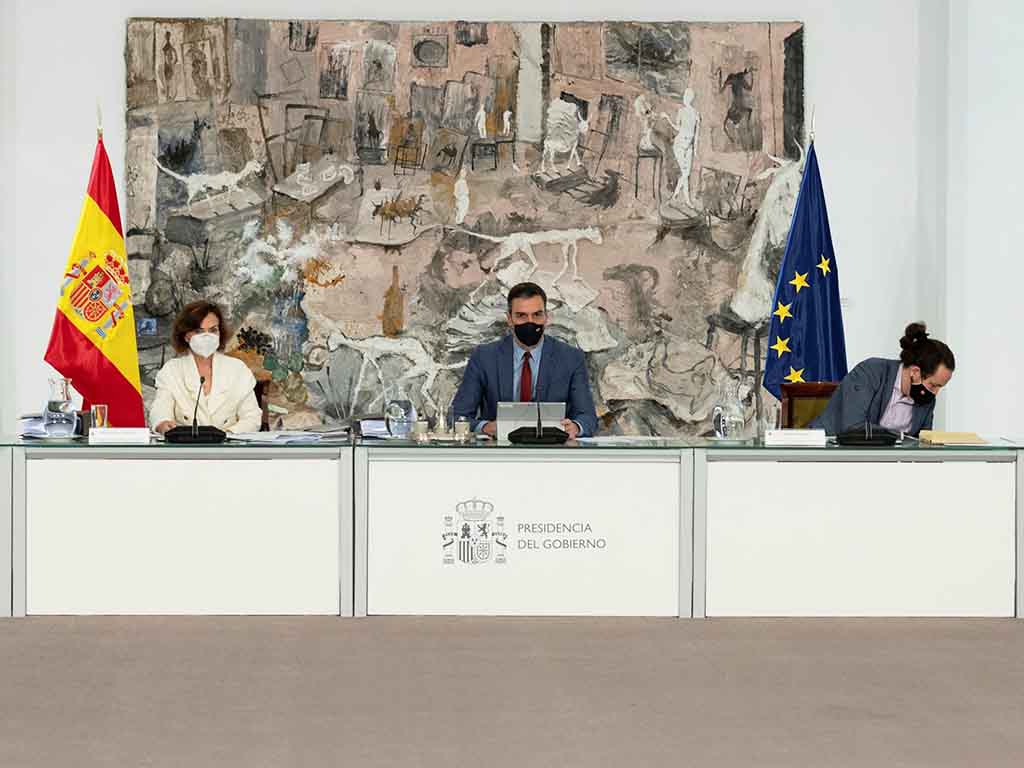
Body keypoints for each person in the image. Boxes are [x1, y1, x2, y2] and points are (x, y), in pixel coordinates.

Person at [452, 282, 598, 438]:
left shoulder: (571, 358)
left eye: (537, 315)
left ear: (546, 317)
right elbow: (457, 416)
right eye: (521, 316)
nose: (530, 322)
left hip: (553, 448)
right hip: (500, 448)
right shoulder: (484, 357)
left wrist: (575, 427)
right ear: (509, 319)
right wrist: (485, 427)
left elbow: (588, 418)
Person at [811, 322, 955, 436]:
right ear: (915, 372)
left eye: (940, 387)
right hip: (827, 454)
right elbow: (852, 428)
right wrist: (899, 438)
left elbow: (924, 443)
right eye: (933, 385)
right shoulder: (870, 372)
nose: (935, 393)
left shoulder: (926, 399)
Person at [151, 300, 262, 434]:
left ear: (220, 333)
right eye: (199, 331)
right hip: (185, 445)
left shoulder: (237, 369)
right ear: (186, 336)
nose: (207, 336)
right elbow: (161, 409)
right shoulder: (172, 370)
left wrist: (227, 435)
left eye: (213, 330)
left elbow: (252, 417)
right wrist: (162, 424)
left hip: (229, 443)